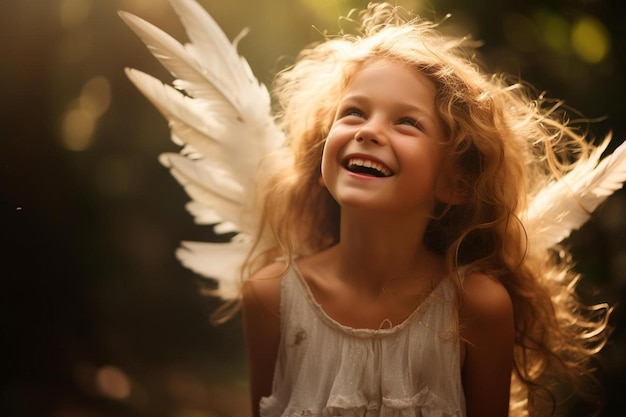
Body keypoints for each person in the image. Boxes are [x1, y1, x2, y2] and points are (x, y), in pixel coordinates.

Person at [238, 3, 613, 417]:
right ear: (321, 164)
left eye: (407, 123)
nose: (367, 131)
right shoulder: (270, 296)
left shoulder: (476, 308)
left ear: (455, 182)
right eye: (353, 113)